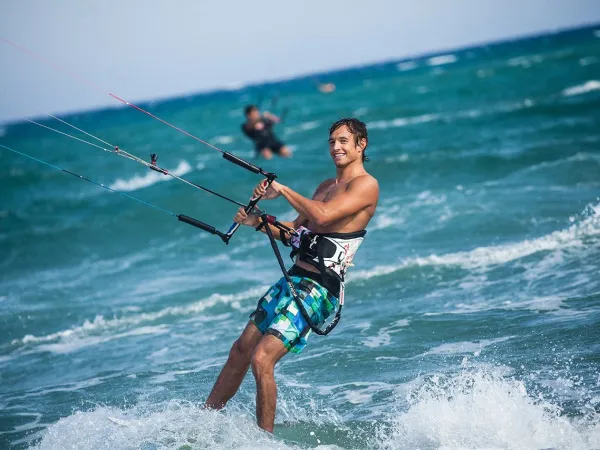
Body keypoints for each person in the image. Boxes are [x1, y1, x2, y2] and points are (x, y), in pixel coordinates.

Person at [205, 118, 379, 432]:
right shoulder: (326, 186)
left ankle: (264, 441)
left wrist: (282, 189)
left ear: (360, 144)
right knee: (241, 349)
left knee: (262, 359)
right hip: (293, 279)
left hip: (319, 290)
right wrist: (256, 222)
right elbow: (293, 232)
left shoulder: (366, 185)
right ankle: (203, 421)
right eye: (331, 142)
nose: (336, 148)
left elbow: (323, 215)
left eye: (343, 141)